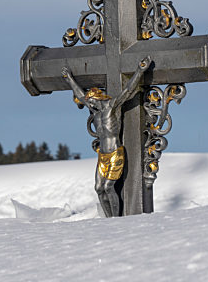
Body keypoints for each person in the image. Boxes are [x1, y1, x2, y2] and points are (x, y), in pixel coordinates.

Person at [61, 57, 151, 217]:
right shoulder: (95, 110)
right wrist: (70, 80)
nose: (90, 104)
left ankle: (115, 219)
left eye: (92, 101)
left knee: (109, 187)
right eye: (89, 102)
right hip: (102, 155)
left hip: (115, 153)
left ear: (97, 98)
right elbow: (80, 95)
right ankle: (108, 219)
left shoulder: (111, 106)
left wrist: (140, 70)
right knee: (98, 188)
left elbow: (128, 91)